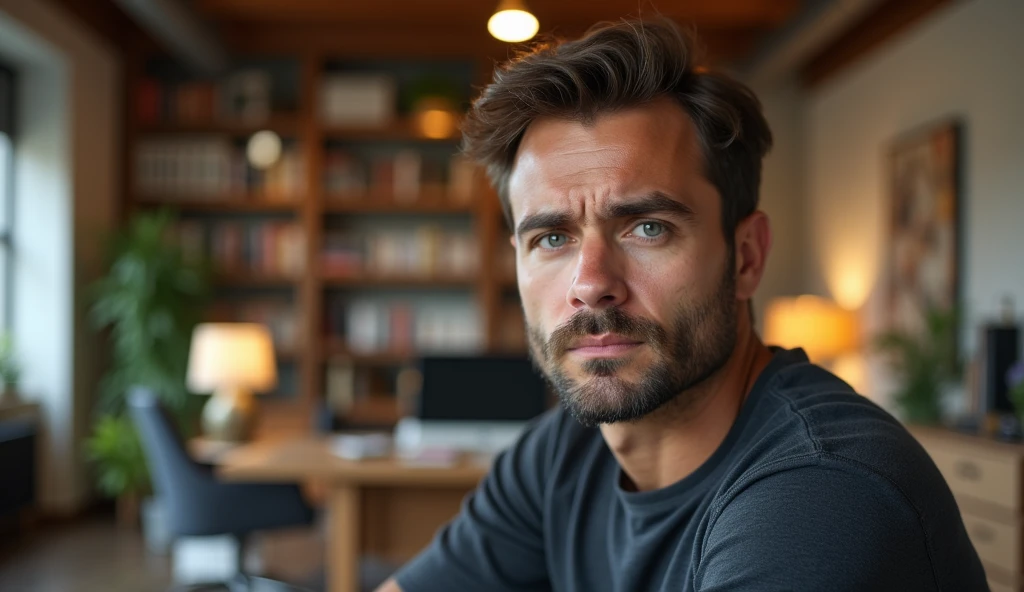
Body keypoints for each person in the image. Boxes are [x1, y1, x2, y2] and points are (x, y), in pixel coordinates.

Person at [376, 18, 987, 592]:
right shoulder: (562, 454)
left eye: (647, 228)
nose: (590, 284)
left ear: (746, 257)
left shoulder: (824, 495)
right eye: (552, 238)